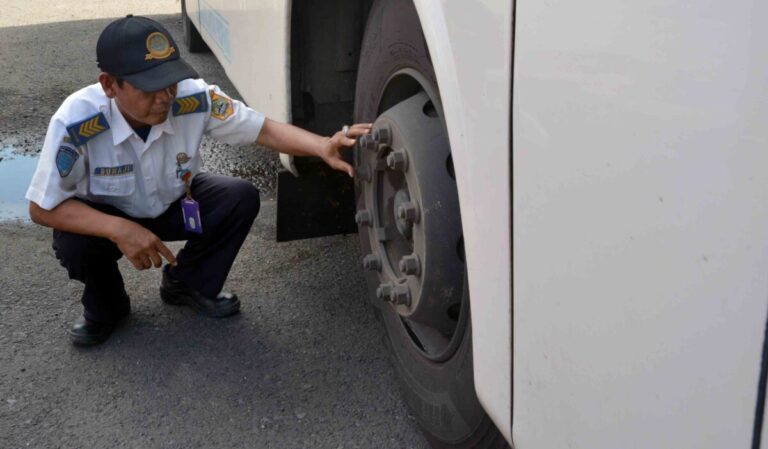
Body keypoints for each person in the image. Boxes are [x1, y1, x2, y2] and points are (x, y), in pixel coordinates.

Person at [25, 15, 371, 346]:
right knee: (74, 242)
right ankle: (108, 305)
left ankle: (187, 283)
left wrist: (322, 145)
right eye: (149, 87)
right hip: (108, 214)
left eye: (170, 82)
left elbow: (262, 130)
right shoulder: (77, 123)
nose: (165, 97)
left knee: (238, 198)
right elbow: (42, 207)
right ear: (109, 85)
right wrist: (119, 229)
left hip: (174, 202)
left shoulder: (193, 98)